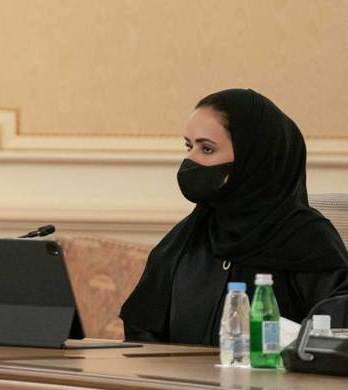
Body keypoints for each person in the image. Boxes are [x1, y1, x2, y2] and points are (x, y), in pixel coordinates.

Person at [120, 88, 348, 345]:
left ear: (252, 158)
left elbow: (335, 332)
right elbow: (142, 330)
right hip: (182, 372)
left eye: (207, 149)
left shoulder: (306, 237)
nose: (190, 159)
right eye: (189, 146)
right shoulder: (190, 234)